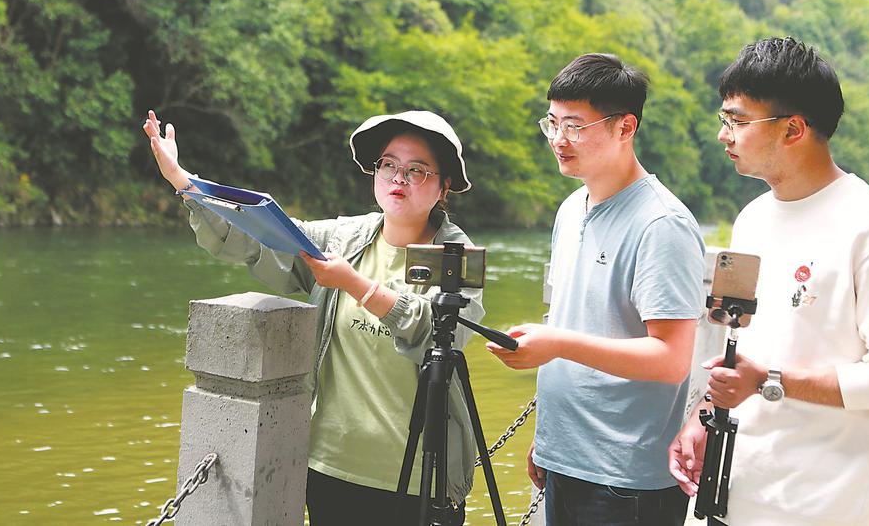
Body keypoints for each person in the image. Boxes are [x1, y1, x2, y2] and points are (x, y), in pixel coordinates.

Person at [143, 109, 483, 526]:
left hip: (418, 478)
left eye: (417, 170)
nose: (398, 178)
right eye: (389, 165)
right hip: (329, 466)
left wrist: (355, 284)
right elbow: (260, 239)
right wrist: (182, 180)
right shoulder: (343, 239)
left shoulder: (457, 256)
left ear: (445, 184)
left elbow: (436, 333)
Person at [668, 36, 869, 526]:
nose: (724, 135)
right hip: (729, 485)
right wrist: (705, 411)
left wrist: (770, 383)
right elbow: (741, 338)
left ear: (794, 128)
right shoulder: (752, 218)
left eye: (737, 120)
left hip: (818, 503)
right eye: (724, 119)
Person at [486, 53, 705, 526]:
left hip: (625, 478)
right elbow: (575, 321)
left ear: (625, 127)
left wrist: (557, 345)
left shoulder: (661, 225)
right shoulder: (571, 208)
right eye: (553, 123)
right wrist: (547, 439)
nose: (559, 141)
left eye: (575, 126)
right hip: (564, 458)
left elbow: (670, 359)